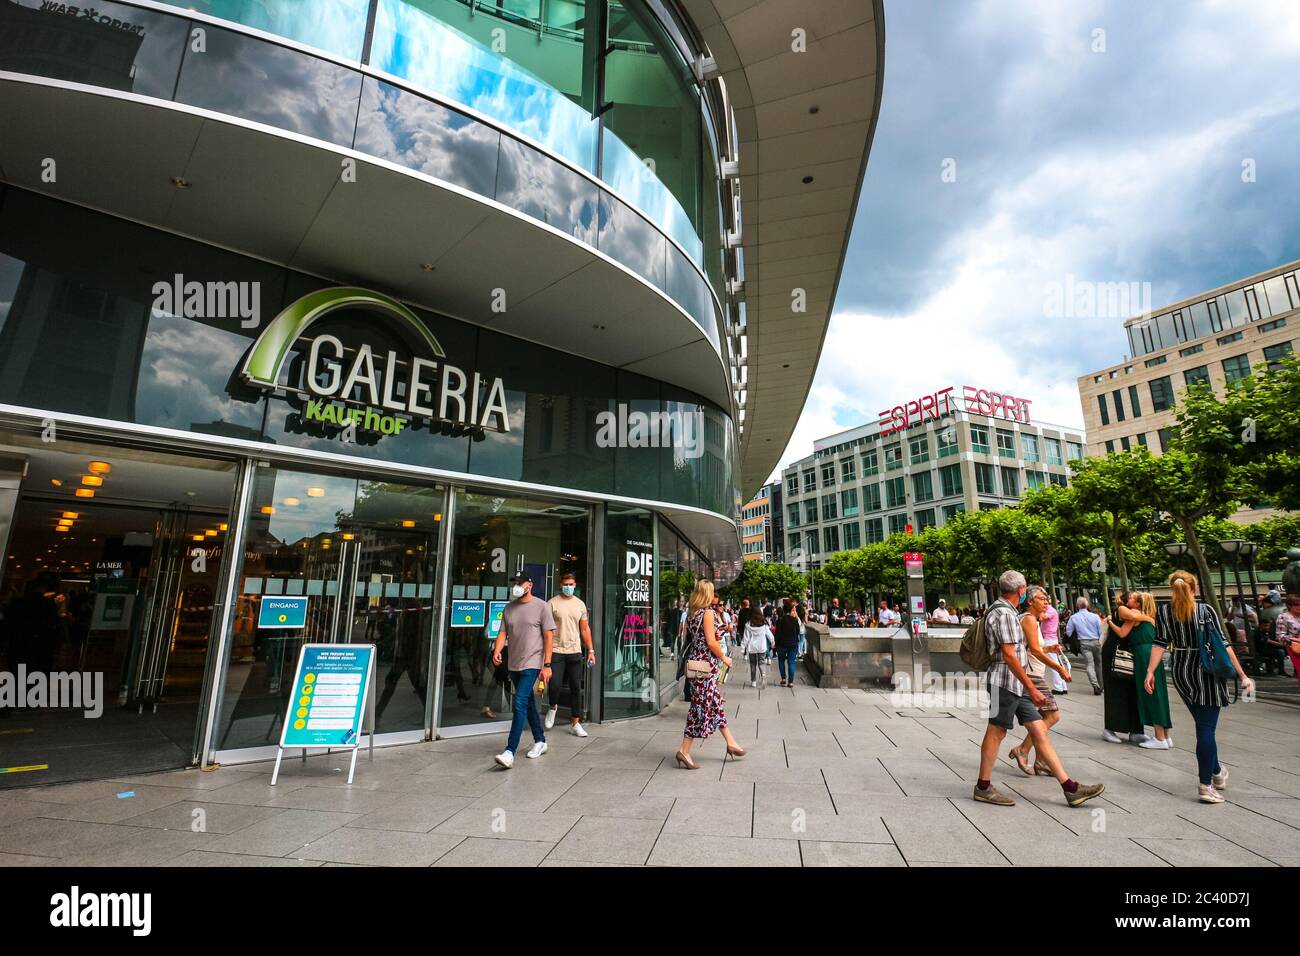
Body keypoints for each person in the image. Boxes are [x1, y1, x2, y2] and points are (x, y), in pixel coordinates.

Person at [974, 570, 1104, 808]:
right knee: (996, 731)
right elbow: (1010, 656)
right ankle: (983, 787)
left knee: (1038, 731)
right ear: (1022, 591)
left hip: (1014, 682)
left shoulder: (1007, 611)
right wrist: (1031, 688)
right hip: (1004, 682)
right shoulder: (1004, 614)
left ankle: (1070, 788)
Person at [1146, 571, 1254, 803]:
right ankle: (1206, 785)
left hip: (1181, 671)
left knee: (1202, 725)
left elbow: (1160, 643)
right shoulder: (1205, 611)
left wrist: (1150, 671)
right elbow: (1224, 644)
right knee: (1206, 730)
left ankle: (1216, 773)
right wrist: (1243, 675)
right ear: (1194, 588)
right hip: (1206, 671)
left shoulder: (1164, 611)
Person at [676, 580, 745, 768]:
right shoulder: (707, 613)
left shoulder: (692, 613)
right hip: (706, 666)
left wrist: (717, 632)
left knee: (713, 703)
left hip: (696, 663)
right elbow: (711, 642)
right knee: (700, 706)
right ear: (708, 593)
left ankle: (731, 743)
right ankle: (684, 750)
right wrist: (724, 657)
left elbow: (698, 637)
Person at [491, 572, 555, 769]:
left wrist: (547, 665)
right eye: (515, 582)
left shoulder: (541, 606)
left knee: (519, 702)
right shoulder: (509, 608)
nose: (517, 585)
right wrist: (497, 650)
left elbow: (549, 637)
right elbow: (502, 632)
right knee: (526, 702)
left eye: (520, 582)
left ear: (530, 584)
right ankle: (540, 740)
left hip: (533, 663)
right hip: (514, 663)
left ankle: (509, 751)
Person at [1007, 585, 1072, 776]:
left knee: (1043, 717)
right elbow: (1034, 650)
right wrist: (1059, 668)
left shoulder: (1030, 620)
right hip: (1032, 674)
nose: (1046, 603)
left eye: (1047, 600)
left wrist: (1049, 649)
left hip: (1033, 672)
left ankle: (1040, 761)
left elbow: (1033, 648)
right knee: (1052, 716)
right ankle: (1023, 750)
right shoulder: (1028, 619)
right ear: (1030, 601)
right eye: (1042, 599)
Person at [545, 571, 595, 738]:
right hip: (556, 650)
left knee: (575, 687)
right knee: (554, 685)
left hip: (575, 651)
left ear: (575, 586)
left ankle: (575, 722)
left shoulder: (580, 605)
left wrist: (591, 650)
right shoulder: (551, 603)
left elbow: (585, 629)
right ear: (561, 585)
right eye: (565, 584)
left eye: (571, 585)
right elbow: (546, 631)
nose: (568, 587)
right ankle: (552, 707)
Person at [1101, 592, 1149, 745]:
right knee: (1115, 689)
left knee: (1132, 691)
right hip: (1114, 653)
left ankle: (1136, 730)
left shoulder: (1136, 612)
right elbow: (1130, 623)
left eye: (1135, 598)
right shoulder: (1122, 610)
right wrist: (1149, 618)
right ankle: (1110, 728)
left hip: (1128, 655)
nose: (1132, 599)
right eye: (1131, 597)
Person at [1127, 592, 1173, 749]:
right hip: (1155, 654)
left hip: (1143, 656)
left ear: (1139, 604)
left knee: (1150, 694)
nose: (1129, 599)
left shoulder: (1135, 615)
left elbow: (1122, 619)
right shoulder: (1154, 618)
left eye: (1132, 598)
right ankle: (1166, 736)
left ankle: (1159, 737)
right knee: (1160, 694)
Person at [1066, 596, 1104, 694]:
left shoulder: (1073, 617)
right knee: (1099, 664)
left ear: (1077, 606)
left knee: (1089, 664)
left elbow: (1068, 632)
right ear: (1087, 605)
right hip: (1096, 642)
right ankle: (1101, 685)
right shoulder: (1095, 616)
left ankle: (1095, 684)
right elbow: (1101, 631)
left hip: (1084, 643)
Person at [1039, 596, 1069, 694]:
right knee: (1057, 663)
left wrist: (1037, 610)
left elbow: (1042, 617)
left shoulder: (1050, 610)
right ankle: (1063, 686)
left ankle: (1058, 687)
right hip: (1051, 639)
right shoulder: (1050, 610)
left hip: (1049, 640)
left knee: (1054, 664)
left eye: (1044, 601)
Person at [740, 607, 773, 687]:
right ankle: (763, 676)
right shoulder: (764, 623)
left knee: (753, 664)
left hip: (752, 648)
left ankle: (753, 682)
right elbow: (769, 634)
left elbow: (746, 638)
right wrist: (772, 641)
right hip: (762, 647)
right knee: (761, 663)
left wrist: (742, 648)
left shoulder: (748, 624)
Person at [1272, 593, 1300, 684]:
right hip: (1295, 648)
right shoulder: (1283, 617)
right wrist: (1294, 639)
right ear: (1289, 605)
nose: (1299, 607)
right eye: (1296, 604)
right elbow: (1280, 636)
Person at [774, 598, 801, 687]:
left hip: (782, 644)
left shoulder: (780, 620)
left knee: (781, 661)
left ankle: (783, 678)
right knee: (791, 662)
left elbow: (777, 633)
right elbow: (797, 632)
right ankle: (791, 682)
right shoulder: (795, 620)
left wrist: (775, 643)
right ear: (790, 610)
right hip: (793, 644)